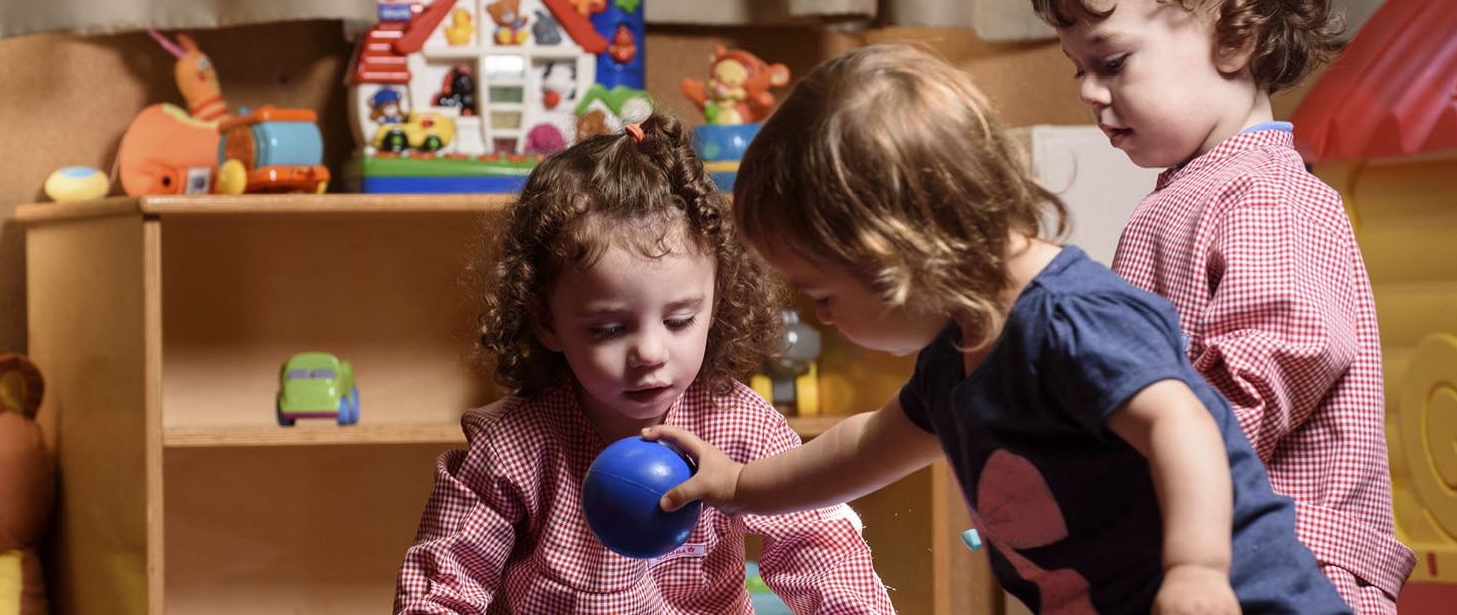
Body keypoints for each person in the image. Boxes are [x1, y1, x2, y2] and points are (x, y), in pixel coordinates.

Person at [646, 44, 1349, 614]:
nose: (822, 315)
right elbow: (863, 447)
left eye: (825, 294)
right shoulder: (957, 354)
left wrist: (1197, 570)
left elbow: (1184, 424)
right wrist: (739, 485)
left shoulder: (1070, 320)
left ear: (902, 255)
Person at [1026, 0, 1416, 610]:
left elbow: (1286, 351)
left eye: (1111, 62)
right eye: (1077, 68)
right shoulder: (1189, 194)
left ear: (1235, 39)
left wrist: (1141, 463)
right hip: (1221, 547)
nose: (1089, 91)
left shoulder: (1264, 193)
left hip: (1288, 561)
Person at [394, 113, 896, 614]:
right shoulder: (510, 449)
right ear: (546, 321)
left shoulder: (742, 427)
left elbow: (821, 548)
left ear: (716, 303)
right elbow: (442, 584)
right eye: (609, 329)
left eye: (679, 320)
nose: (651, 353)